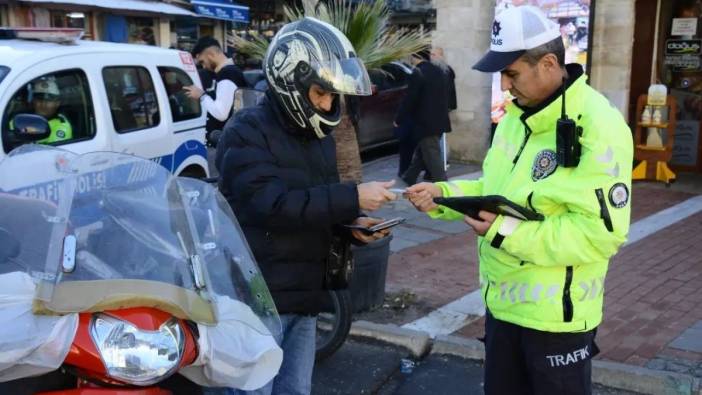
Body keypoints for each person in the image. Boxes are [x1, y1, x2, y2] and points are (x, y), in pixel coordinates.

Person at [406, 6, 633, 395]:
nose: (505, 86)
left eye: (511, 74)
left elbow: (600, 234)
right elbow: (495, 190)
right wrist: (443, 195)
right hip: (501, 309)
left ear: (548, 63)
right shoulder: (515, 117)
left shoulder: (600, 125)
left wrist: (503, 231)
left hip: (555, 323)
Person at [214, 17, 397, 395]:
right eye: (320, 94)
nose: (328, 104)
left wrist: (351, 224)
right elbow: (274, 205)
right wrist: (352, 197)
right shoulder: (246, 131)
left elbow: (316, 204)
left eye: (332, 96)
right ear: (290, 81)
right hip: (257, 301)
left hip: (305, 297)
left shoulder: (319, 139)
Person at [395, 48, 450, 185]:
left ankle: (442, 183)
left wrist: (399, 119)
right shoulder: (438, 71)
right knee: (423, 151)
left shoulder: (418, 72)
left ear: (416, 57)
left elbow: (410, 99)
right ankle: (409, 177)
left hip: (425, 122)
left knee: (431, 153)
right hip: (439, 120)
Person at [184, 37, 246, 137]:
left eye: (202, 61)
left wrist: (201, 95)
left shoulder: (227, 73)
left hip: (229, 139)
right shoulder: (231, 71)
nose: (203, 66)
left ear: (211, 55)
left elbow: (221, 113)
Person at [430, 46, 457, 171]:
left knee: (440, 136)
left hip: (442, 108)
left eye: (434, 55)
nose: (431, 57)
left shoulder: (445, 70)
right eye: (431, 54)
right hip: (436, 108)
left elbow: (448, 91)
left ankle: (444, 160)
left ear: (440, 56)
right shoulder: (436, 70)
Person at [31, 78, 72, 144]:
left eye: (49, 100)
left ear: (57, 103)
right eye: (39, 99)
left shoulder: (62, 126)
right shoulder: (21, 118)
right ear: (34, 101)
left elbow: (48, 151)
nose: (43, 104)